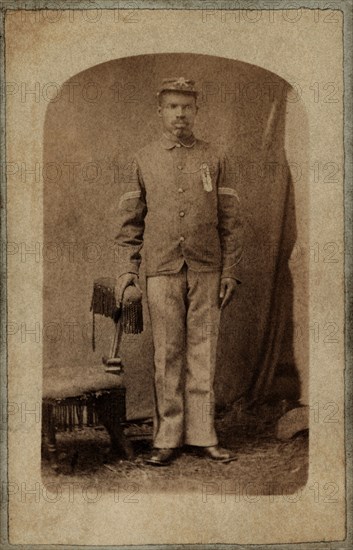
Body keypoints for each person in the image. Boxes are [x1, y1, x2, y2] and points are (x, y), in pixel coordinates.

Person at [115, 77, 243, 465]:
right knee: (167, 354)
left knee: (203, 353)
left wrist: (230, 271)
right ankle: (167, 438)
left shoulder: (215, 157)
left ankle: (203, 435)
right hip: (162, 269)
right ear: (160, 111)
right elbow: (129, 225)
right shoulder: (143, 159)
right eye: (172, 106)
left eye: (186, 106)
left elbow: (231, 222)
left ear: (196, 110)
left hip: (207, 267)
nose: (179, 114)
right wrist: (127, 272)